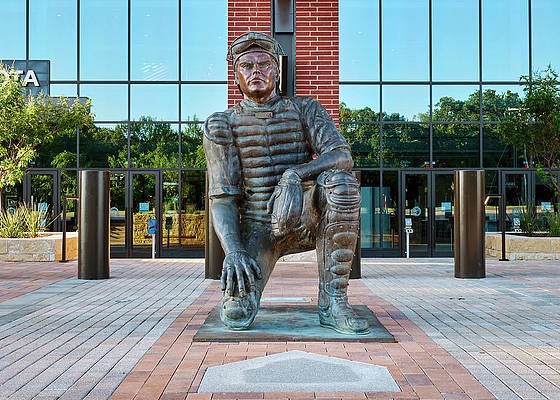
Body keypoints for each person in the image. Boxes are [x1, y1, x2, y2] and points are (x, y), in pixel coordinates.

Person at [204, 32, 369, 334]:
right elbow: (223, 197)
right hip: (258, 224)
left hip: (304, 217)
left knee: (341, 184)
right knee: (237, 314)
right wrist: (234, 251)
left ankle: (334, 301)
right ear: (237, 77)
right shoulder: (221, 124)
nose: (256, 71)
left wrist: (295, 174)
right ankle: (245, 286)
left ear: (277, 72)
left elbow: (341, 154)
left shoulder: (305, 109)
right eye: (248, 66)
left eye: (264, 64)